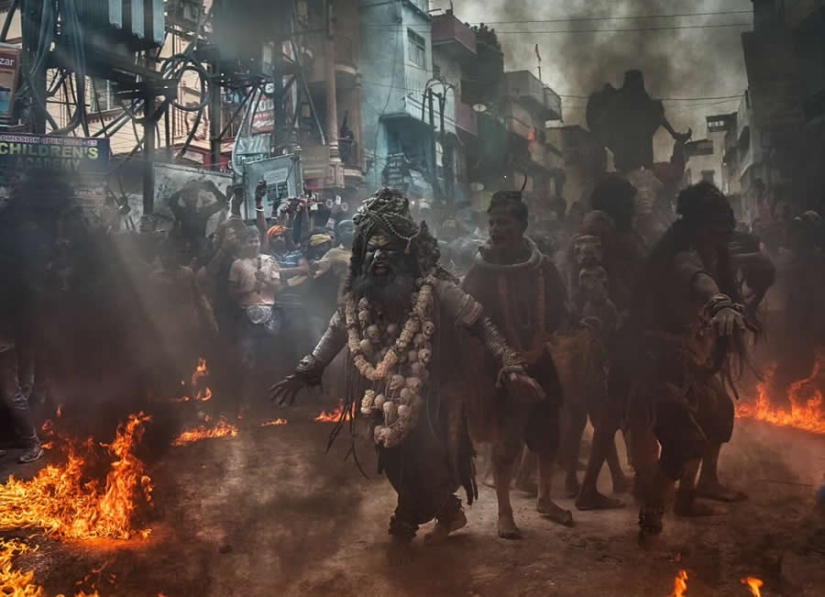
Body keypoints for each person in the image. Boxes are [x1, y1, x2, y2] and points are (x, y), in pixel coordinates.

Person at [271, 188, 543, 564]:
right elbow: (336, 332)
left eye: (389, 250)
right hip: (386, 394)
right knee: (396, 464)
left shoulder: (435, 289)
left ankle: (405, 522)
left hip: (435, 395)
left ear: (408, 255)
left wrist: (511, 365)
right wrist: (307, 369)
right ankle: (448, 513)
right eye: (372, 250)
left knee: (427, 461)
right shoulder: (359, 298)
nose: (380, 257)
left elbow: (481, 323)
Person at [621, 182, 752, 546]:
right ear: (699, 224)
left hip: (688, 361)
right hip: (657, 364)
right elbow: (698, 279)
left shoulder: (708, 251)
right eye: (717, 222)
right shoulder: (682, 256)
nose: (724, 228)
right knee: (682, 443)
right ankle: (652, 510)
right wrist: (720, 303)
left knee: (718, 413)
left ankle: (688, 496)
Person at [461, 191, 572, 538]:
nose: (496, 229)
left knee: (550, 433)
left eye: (504, 222)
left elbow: (558, 306)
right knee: (506, 440)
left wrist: (554, 332)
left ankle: (544, 498)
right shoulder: (480, 271)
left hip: (538, 357)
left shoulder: (543, 268)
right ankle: (504, 512)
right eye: (492, 222)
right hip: (500, 368)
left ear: (522, 225)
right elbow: (469, 315)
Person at [229, 226, 283, 411]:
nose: (254, 244)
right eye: (249, 241)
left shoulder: (270, 261)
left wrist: (265, 280)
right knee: (247, 359)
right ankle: (246, 401)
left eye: (256, 240)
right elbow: (231, 293)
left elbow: (278, 287)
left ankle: (275, 399)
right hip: (246, 313)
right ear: (243, 243)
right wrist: (250, 289)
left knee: (272, 357)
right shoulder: (237, 264)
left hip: (270, 312)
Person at [167, 179, 229, 262]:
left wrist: (214, 189)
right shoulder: (180, 212)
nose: (192, 196)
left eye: (195, 193)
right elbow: (172, 201)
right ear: (184, 196)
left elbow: (223, 202)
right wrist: (186, 188)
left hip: (200, 251)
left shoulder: (203, 212)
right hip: (184, 250)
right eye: (189, 194)